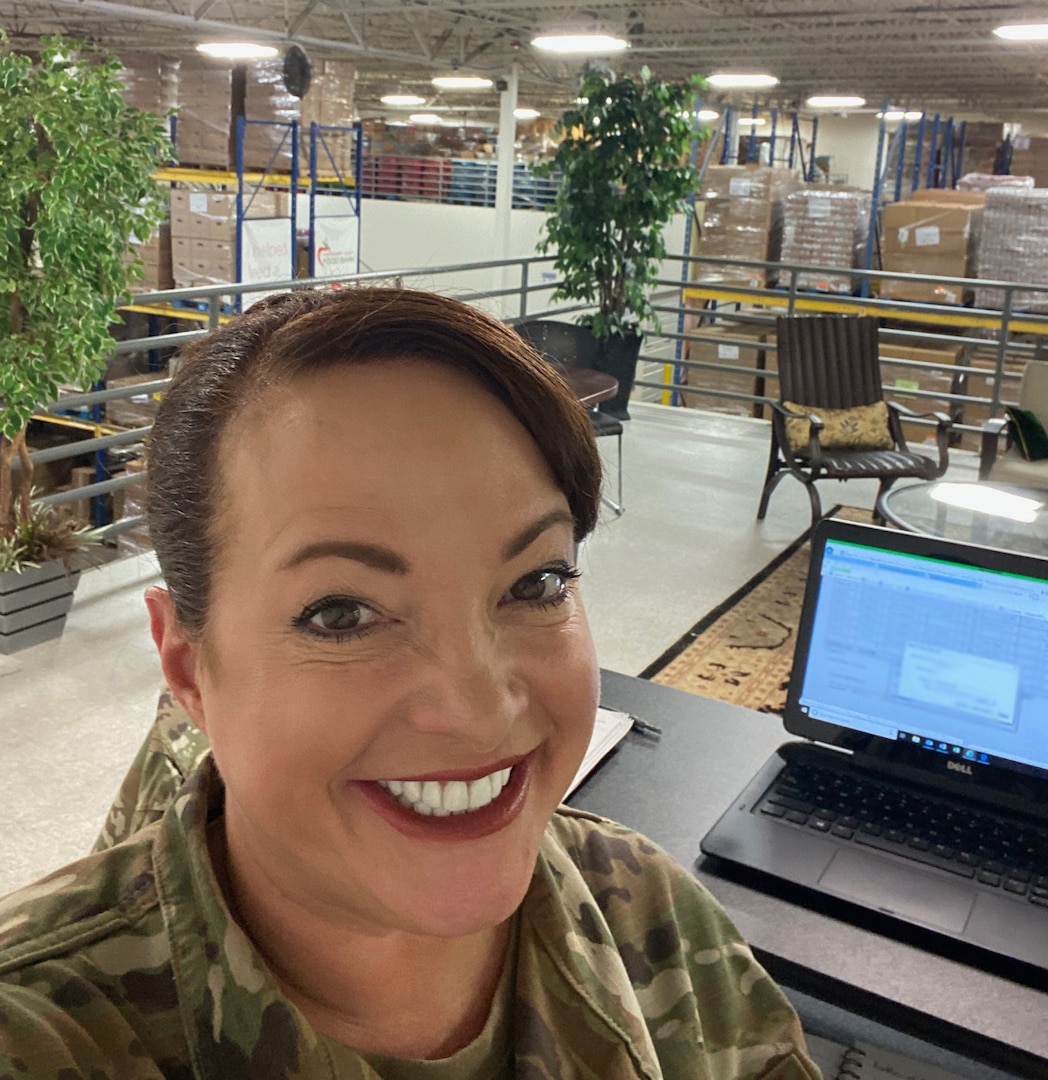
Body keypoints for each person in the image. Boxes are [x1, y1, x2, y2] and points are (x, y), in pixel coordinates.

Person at [0, 287, 821, 1078]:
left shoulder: (652, 916)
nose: (475, 709)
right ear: (187, 668)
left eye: (536, 583)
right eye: (341, 614)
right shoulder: (43, 1034)